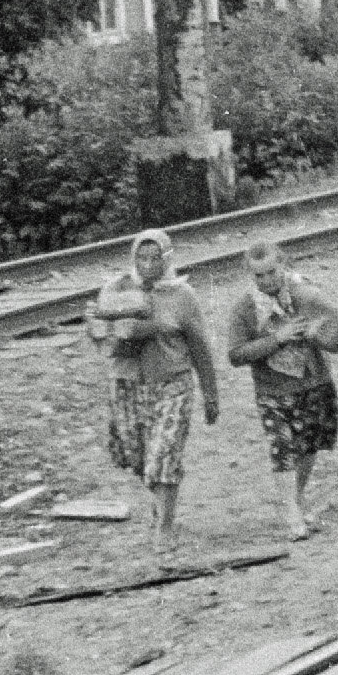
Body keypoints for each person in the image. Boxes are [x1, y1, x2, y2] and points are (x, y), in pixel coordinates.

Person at [86, 229, 217, 554]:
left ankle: (166, 526)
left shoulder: (182, 295)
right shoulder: (116, 288)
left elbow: (199, 346)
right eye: (141, 258)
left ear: (167, 258)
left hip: (172, 383)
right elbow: (99, 333)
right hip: (128, 385)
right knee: (138, 458)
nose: (147, 264)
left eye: (155, 257)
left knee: (165, 456)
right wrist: (105, 328)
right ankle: (161, 502)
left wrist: (211, 393)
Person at [222, 238, 338, 540]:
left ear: (283, 265)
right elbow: (235, 354)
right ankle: (292, 512)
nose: (266, 280)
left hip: (314, 382)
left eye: (271, 272)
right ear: (250, 275)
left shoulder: (305, 294)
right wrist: (276, 339)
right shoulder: (245, 308)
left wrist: (317, 334)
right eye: (259, 275)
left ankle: (296, 500)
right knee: (283, 450)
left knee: (308, 447)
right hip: (273, 391)